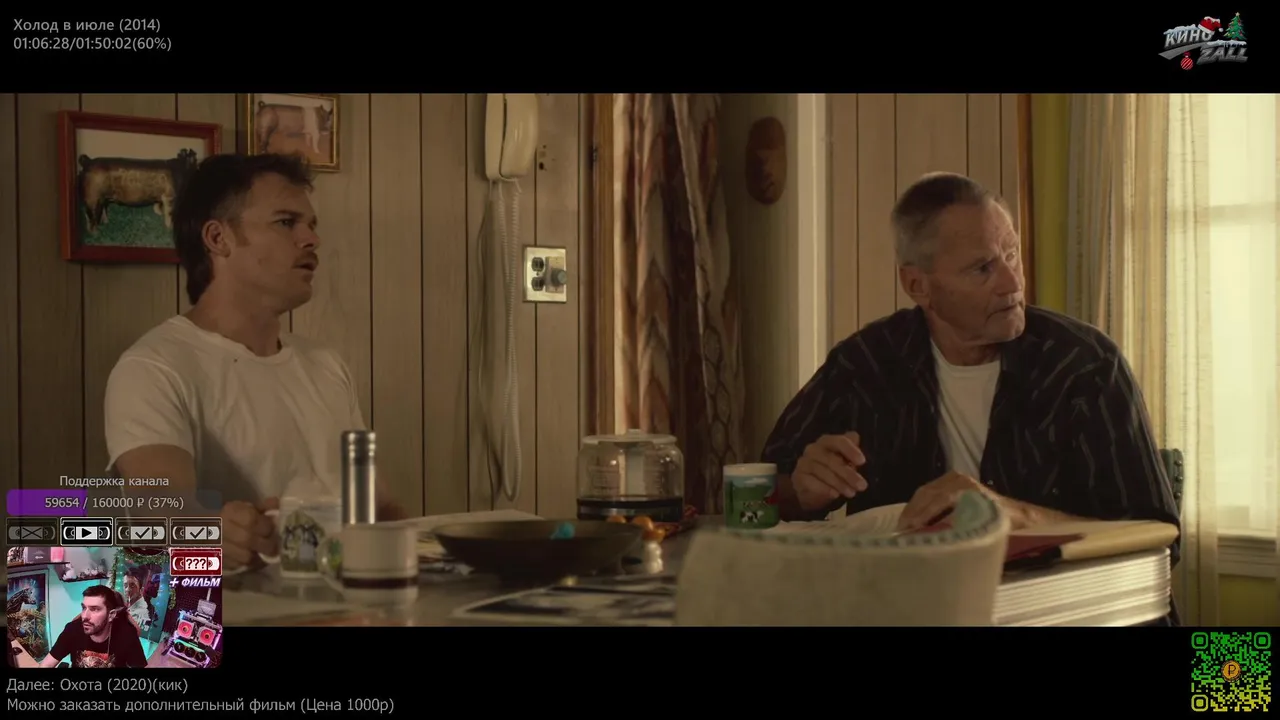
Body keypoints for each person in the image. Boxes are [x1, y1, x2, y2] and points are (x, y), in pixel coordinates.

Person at [762, 172, 1180, 555]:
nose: (1013, 283)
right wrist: (798, 491)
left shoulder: (1085, 365)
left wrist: (1012, 514)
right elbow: (755, 495)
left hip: (1060, 601)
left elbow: (1157, 537)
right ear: (917, 285)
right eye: (983, 268)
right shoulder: (865, 363)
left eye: (1012, 255)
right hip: (912, 598)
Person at [104, 153, 408, 572]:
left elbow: (380, 507)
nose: (311, 240)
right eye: (286, 222)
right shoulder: (153, 368)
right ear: (218, 238)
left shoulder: (326, 365)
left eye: (312, 225)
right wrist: (218, 531)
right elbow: (161, 512)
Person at [39, 586, 147, 668]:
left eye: (95, 609)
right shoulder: (72, 630)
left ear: (111, 615)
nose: (85, 616)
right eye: (84, 608)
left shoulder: (126, 635)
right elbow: (46, 664)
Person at [124, 567, 156, 633]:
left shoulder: (147, 610)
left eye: (132, 586)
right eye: (125, 585)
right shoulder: (122, 604)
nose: (127, 589)